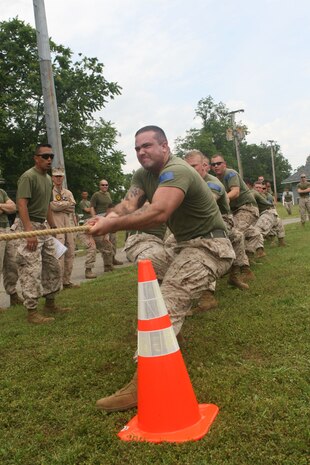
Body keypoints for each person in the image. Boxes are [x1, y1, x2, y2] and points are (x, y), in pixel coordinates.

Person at [89, 125, 235, 412]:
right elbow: (128, 206)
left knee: (163, 305)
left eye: (148, 146)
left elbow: (159, 211)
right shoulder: (143, 176)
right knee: (148, 267)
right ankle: (173, 343)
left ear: (165, 146)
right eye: (137, 148)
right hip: (181, 247)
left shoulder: (177, 170)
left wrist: (112, 225)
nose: (141, 152)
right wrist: (104, 219)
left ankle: (142, 385)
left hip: (210, 247)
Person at [185, 150, 253, 292]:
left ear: (204, 166)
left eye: (194, 166)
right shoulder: (191, 182)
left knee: (208, 244)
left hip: (221, 219)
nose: (190, 170)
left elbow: (208, 202)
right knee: (172, 243)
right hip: (201, 220)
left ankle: (207, 293)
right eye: (187, 167)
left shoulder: (214, 182)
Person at [15, 144, 68, 324]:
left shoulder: (47, 179)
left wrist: (53, 227)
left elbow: (46, 206)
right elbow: (21, 205)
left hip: (42, 226)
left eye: (51, 156)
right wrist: (29, 231)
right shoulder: (28, 177)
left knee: (52, 265)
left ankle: (50, 303)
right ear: (36, 158)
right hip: (27, 225)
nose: (49, 160)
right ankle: (32, 312)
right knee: (31, 269)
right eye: (45, 156)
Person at [210, 154, 265, 259]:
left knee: (235, 234)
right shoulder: (215, 180)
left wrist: (220, 198)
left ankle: (242, 266)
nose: (216, 166)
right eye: (213, 164)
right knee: (239, 231)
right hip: (234, 211)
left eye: (219, 163)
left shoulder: (230, 173)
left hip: (247, 207)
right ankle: (255, 236)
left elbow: (235, 192)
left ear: (224, 164)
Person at [50, 168, 79, 289]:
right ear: (52, 177)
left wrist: (61, 205)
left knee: (70, 252)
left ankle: (67, 281)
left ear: (63, 177)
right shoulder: (50, 192)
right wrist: (65, 204)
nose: (58, 178)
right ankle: (58, 283)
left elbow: (72, 208)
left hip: (69, 226)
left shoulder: (68, 193)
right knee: (58, 253)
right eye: (56, 176)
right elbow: (53, 206)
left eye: (60, 176)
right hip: (56, 225)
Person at [90, 180, 122, 272]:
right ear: (99, 186)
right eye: (102, 185)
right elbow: (92, 207)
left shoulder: (108, 194)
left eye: (106, 185)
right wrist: (94, 218)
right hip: (100, 217)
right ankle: (107, 264)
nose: (105, 186)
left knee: (113, 239)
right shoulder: (96, 195)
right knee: (105, 241)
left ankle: (113, 259)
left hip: (109, 217)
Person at [0, 188, 20, 311]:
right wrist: (5, 207)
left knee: (12, 264)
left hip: (7, 230)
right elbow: (9, 207)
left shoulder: (2, 192)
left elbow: (13, 207)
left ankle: (13, 295)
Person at [253, 182, 286, 246]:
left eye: (260, 188)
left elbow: (272, 204)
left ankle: (281, 242)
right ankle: (261, 246)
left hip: (267, 213)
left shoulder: (266, 195)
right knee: (260, 228)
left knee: (278, 222)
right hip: (258, 215)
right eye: (256, 187)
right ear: (253, 188)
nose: (258, 189)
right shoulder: (253, 194)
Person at [78, 191, 97, 279]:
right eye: (84, 194)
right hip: (85, 228)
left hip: (92, 228)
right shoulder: (82, 203)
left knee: (107, 243)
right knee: (91, 247)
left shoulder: (89, 203)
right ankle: (88, 270)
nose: (85, 195)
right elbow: (87, 210)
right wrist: (93, 208)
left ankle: (109, 265)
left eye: (86, 193)